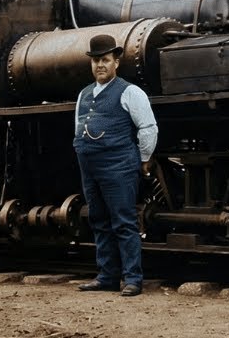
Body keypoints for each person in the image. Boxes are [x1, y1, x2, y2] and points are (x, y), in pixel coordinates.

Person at [73, 34, 158, 297]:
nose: (100, 65)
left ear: (116, 62)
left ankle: (132, 279)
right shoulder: (84, 94)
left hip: (118, 165)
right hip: (90, 167)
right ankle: (107, 276)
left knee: (124, 221)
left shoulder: (130, 92)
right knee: (98, 220)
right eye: (96, 60)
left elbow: (148, 127)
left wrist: (144, 158)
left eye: (105, 60)